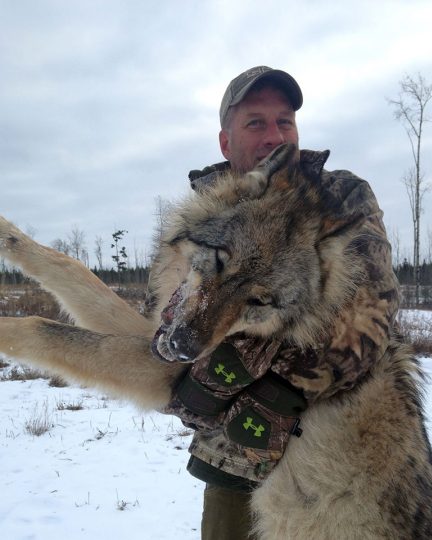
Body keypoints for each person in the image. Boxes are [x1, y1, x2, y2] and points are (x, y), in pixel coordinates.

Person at [150, 66, 399, 540]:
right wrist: (174, 362)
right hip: (227, 455)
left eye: (285, 121)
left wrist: (285, 390)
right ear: (225, 142)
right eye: (255, 122)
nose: (274, 135)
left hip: (328, 452)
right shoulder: (204, 214)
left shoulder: (339, 198)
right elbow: (165, 309)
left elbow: (372, 305)